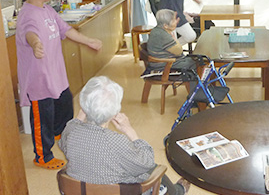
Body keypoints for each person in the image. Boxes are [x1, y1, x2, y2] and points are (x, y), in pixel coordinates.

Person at [16, 0, 102, 170]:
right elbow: (29, 33)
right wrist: (36, 43)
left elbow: (66, 29)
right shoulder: (27, 14)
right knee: (42, 119)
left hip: (56, 74)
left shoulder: (47, 10)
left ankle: (62, 137)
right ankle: (43, 156)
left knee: (65, 108)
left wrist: (89, 41)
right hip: (39, 79)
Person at [59, 76, 190, 195]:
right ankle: (177, 192)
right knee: (154, 168)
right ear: (114, 111)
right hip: (119, 191)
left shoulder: (71, 130)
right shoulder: (116, 142)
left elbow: (63, 143)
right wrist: (130, 130)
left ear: (83, 104)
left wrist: (83, 113)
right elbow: (147, 163)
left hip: (81, 190)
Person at [143, 9, 196, 73]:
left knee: (194, 59)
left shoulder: (157, 30)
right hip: (164, 64)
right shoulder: (163, 35)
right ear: (165, 25)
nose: (176, 22)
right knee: (196, 64)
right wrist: (175, 40)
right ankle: (195, 82)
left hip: (163, 61)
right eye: (173, 20)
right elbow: (179, 51)